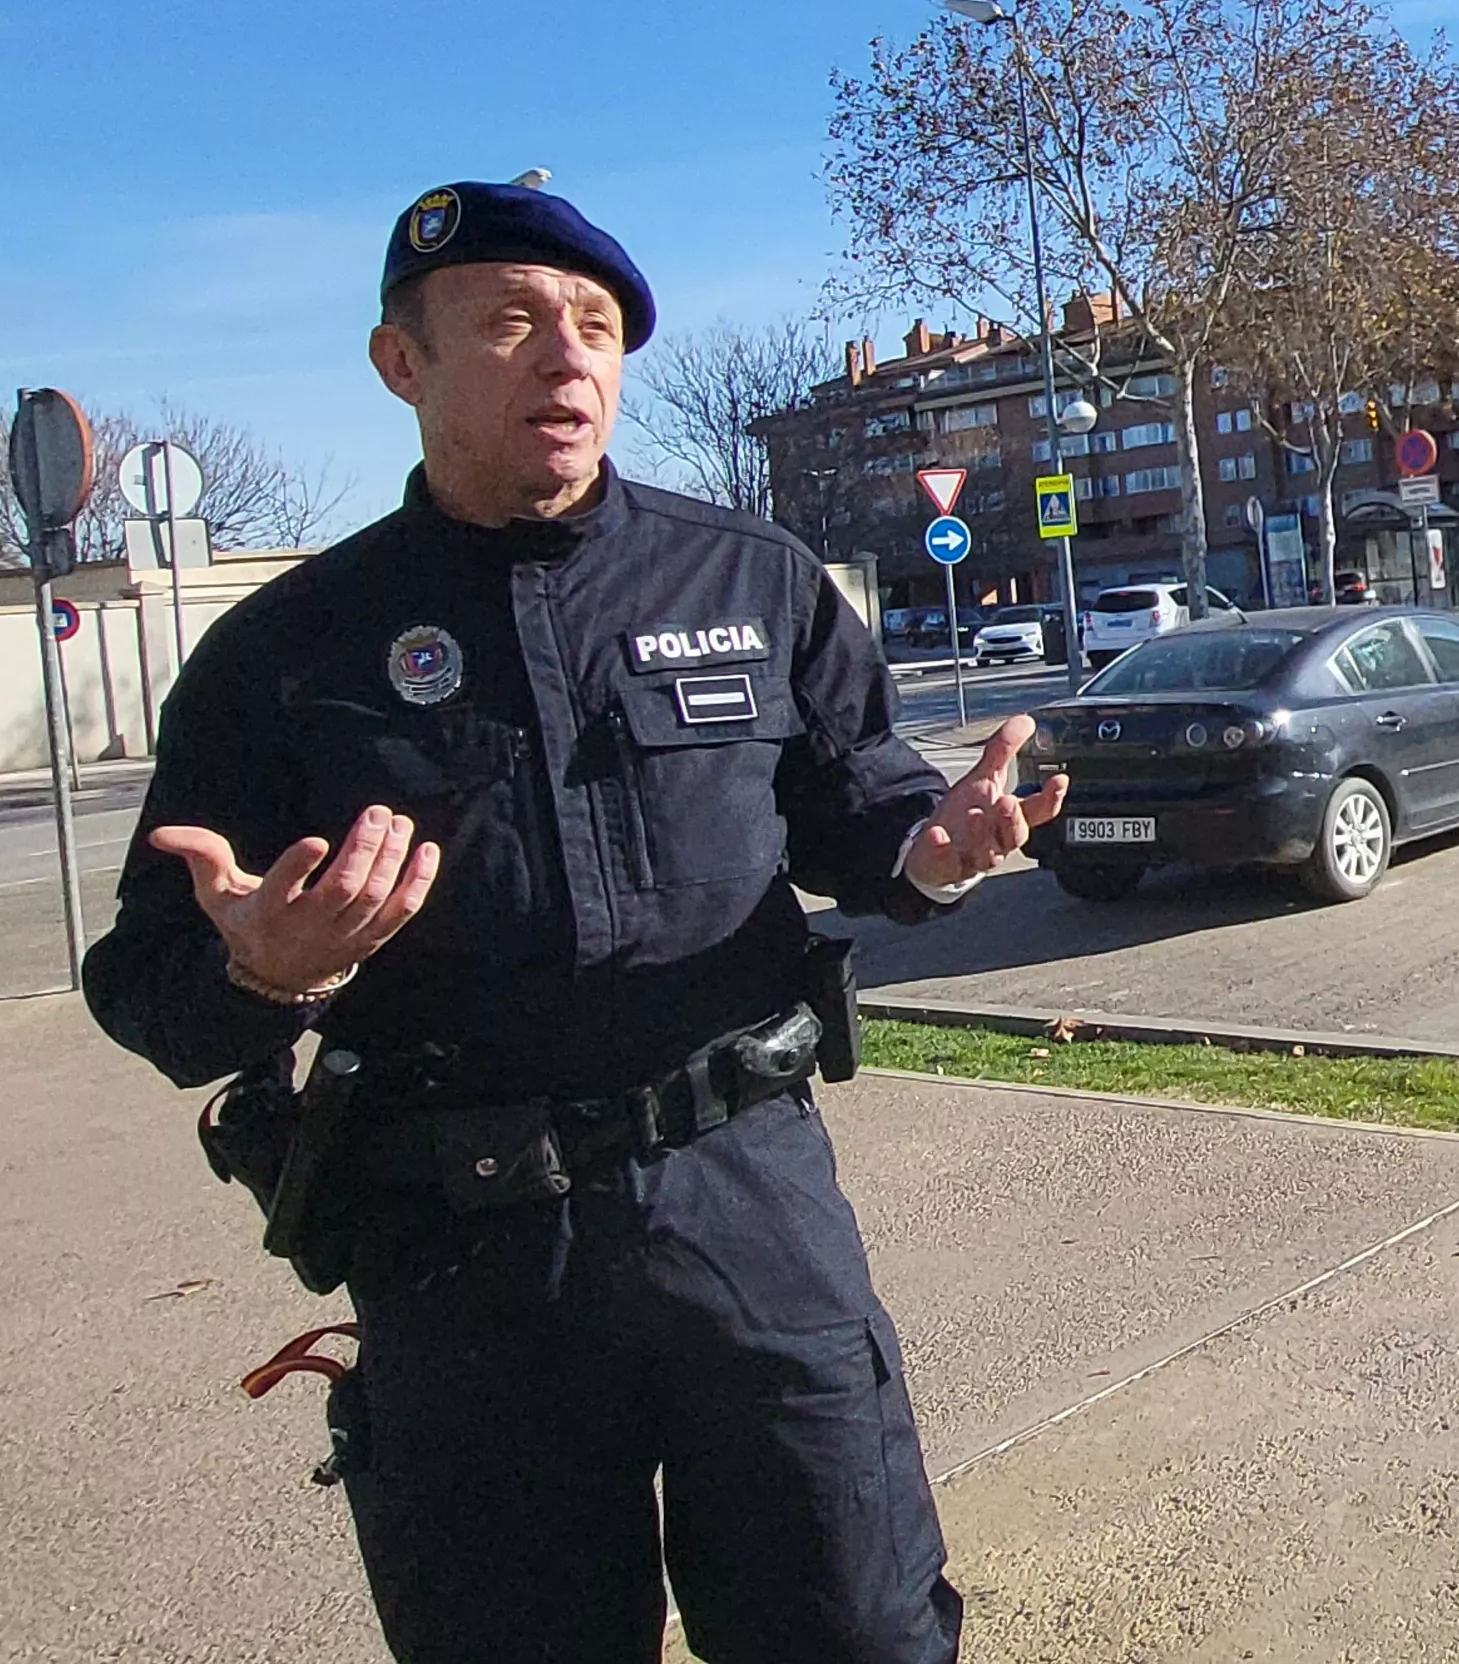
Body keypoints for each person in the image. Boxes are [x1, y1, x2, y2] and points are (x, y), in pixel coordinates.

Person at [82, 179, 1063, 1662]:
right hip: (463, 1259)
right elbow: (147, 977)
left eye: (597, 328)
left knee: (857, 1632)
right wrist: (258, 974)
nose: (568, 357)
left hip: (746, 1209)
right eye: (512, 322)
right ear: (400, 365)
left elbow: (865, 814)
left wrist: (934, 850)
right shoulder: (283, 653)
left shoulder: (751, 579)